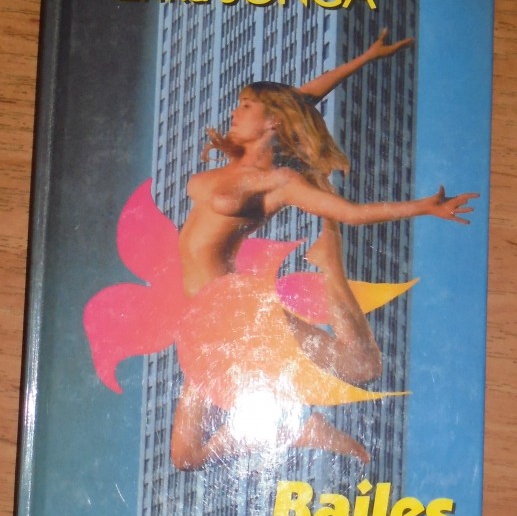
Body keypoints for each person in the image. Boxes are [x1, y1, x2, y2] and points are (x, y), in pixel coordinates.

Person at [171, 31, 478, 470]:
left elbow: (351, 213)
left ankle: (330, 265)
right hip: (199, 320)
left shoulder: (279, 182)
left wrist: (423, 207)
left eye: (247, 106)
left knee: (361, 366)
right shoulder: (236, 164)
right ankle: (298, 429)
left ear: (272, 122)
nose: (235, 112)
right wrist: (364, 58)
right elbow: (301, 99)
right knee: (185, 457)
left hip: (230, 309)